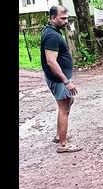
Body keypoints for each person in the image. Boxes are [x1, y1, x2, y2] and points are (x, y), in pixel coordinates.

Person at [41, 5, 82, 153]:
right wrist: (66, 81)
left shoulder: (51, 30)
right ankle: (63, 145)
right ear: (53, 18)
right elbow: (51, 61)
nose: (66, 21)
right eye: (62, 18)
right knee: (64, 108)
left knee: (68, 102)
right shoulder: (52, 35)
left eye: (66, 18)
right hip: (59, 79)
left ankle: (59, 136)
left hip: (58, 78)